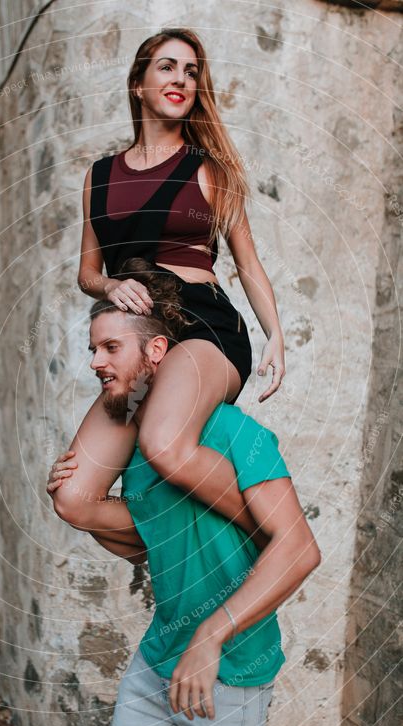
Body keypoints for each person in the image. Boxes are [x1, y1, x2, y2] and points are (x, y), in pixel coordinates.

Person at [46, 281, 321, 726]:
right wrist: (81, 508)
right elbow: (148, 548)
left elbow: (300, 550)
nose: (95, 363)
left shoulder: (237, 433)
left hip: (232, 672)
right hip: (157, 662)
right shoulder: (135, 453)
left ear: (156, 352)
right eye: (92, 349)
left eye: (111, 347)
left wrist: (210, 638)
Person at [55, 26, 287, 546]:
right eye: (167, 66)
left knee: (163, 443)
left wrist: (275, 334)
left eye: (190, 70)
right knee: (73, 497)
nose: (180, 78)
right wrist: (111, 287)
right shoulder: (100, 175)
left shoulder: (209, 171)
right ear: (138, 83)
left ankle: (271, 537)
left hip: (203, 328)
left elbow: (247, 263)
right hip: (140, 338)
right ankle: (181, 544)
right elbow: (87, 273)